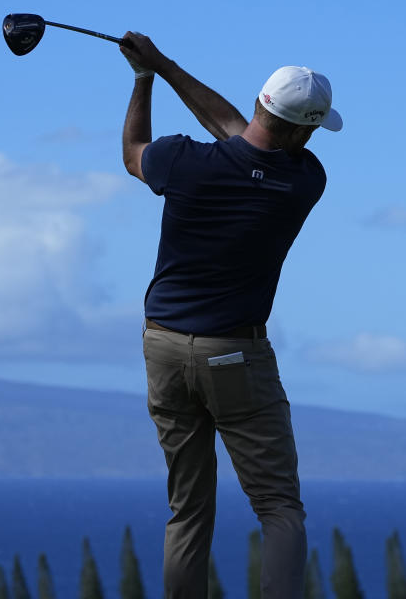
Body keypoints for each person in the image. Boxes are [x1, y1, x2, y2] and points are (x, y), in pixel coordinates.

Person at [119, 31, 342, 599]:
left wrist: (148, 76)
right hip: (236, 355)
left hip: (163, 347)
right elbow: (243, 136)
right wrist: (165, 67)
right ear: (303, 130)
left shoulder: (181, 162)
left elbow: (134, 153)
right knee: (279, 509)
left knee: (187, 509)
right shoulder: (304, 181)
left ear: (260, 103)